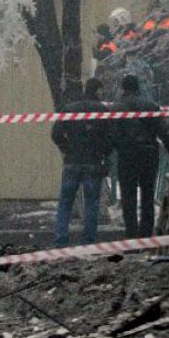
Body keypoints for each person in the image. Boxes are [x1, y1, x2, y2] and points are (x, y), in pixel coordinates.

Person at [52, 75, 114, 245]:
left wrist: (67, 149)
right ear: (97, 90)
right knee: (92, 203)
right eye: (102, 90)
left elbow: (56, 134)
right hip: (93, 162)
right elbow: (111, 138)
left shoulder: (70, 109)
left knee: (65, 201)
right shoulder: (103, 111)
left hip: (72, 161)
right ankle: (88, 241)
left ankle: (61, 240)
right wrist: (103, 153)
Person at [113, 74, 169, 239]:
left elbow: (112, 135)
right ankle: (146, 236)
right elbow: (164, 132)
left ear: (124, 88)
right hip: (148, 155)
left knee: (128, 198)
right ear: (138, 86)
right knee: (147, 196)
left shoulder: (117, 108)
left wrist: (117, 147)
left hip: (127, 156)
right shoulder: (151, 106)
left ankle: (131, 236)